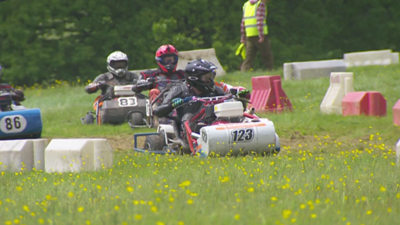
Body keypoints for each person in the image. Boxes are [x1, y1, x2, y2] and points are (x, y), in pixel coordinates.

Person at [153, 59, 250, 152]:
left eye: (211, 76)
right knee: (188, 117)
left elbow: (227, 100)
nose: (210, 80)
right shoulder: (179, 89)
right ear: (194, 78)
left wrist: (238, 98)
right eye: (206, 77)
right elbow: (158, 111)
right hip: (187, 124)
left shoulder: (215, 89)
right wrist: (172, 105)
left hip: (213, 121)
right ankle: (193, 144)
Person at [240, 0, 274, 71]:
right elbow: (259, 20)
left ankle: (244, 71)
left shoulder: (246, 4)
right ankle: (270, 71)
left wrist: (243, 36)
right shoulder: (261, 4)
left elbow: (243, 22)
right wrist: (261, 35)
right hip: (258, 35)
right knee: (267, 55)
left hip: (249, 34)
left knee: (248, 57)